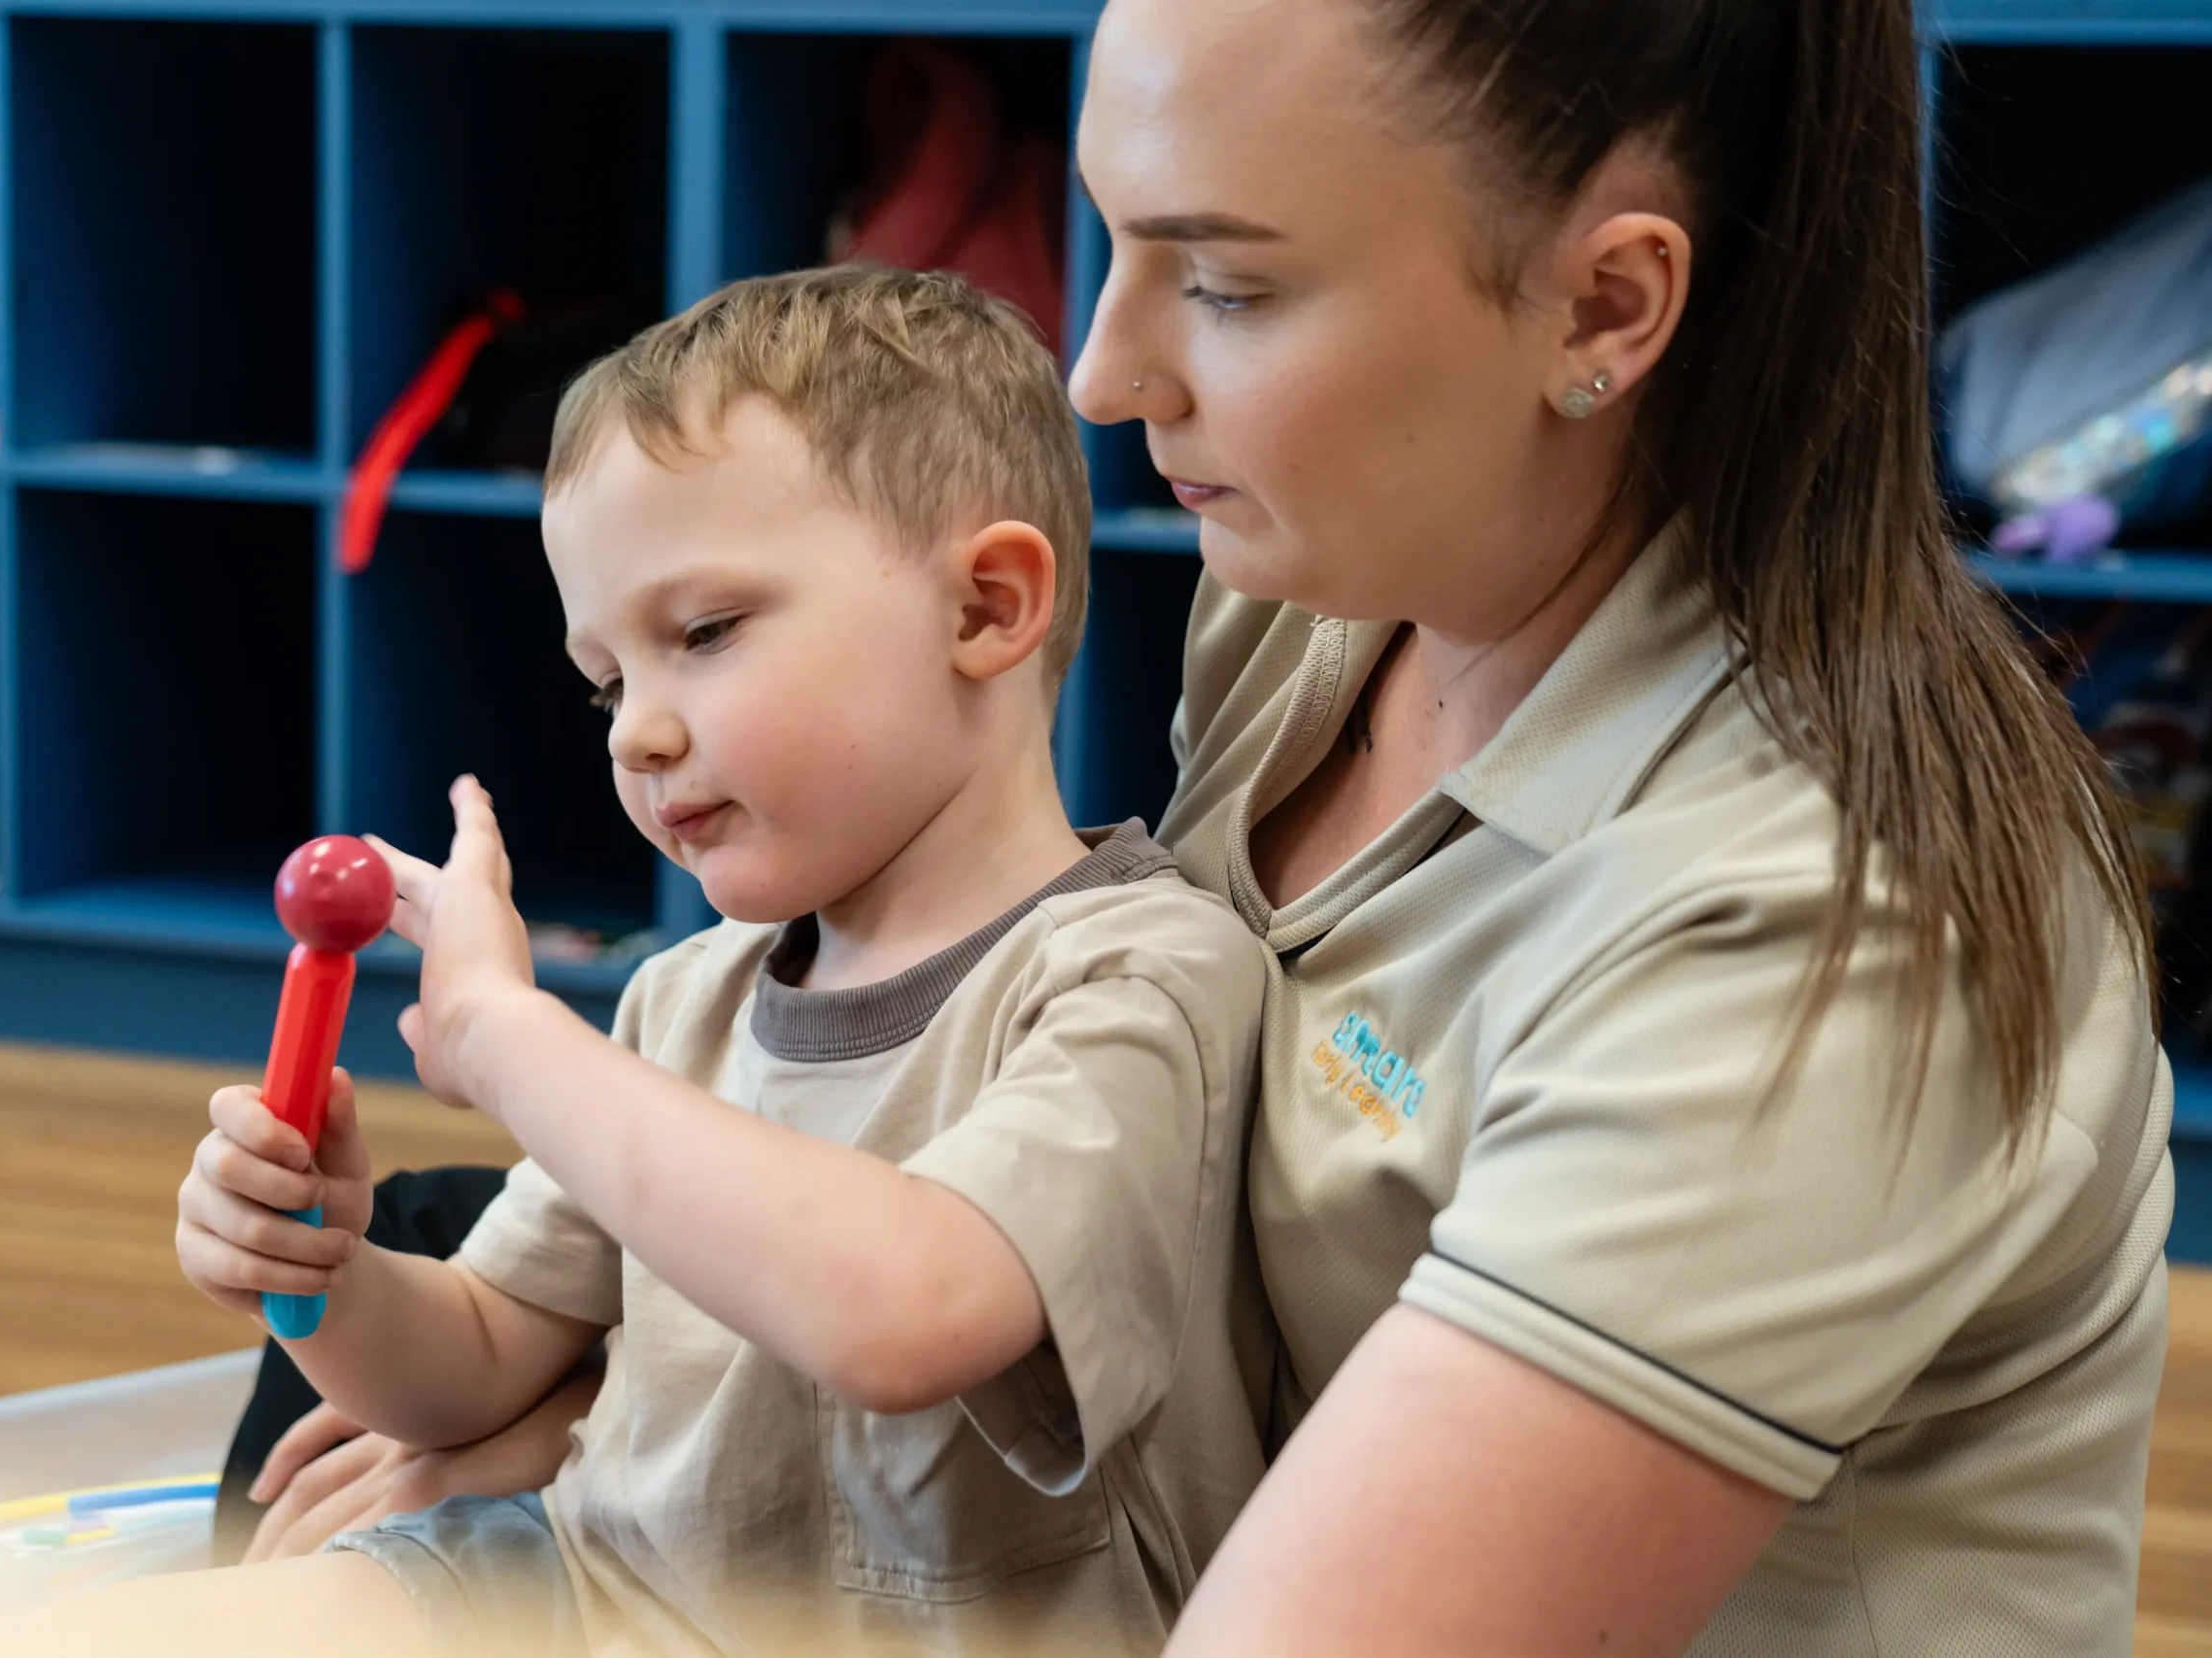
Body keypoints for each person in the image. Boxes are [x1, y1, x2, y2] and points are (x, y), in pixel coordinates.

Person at [246, 1, 2173, 1653]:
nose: (1096, 372)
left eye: (1227, 281)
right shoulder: (1326, 593)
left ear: (1602, 304)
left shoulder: (1812, 936)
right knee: (391, 1295)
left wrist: (626, 1496)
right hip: (1136, 1470)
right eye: (1109, 242)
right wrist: (590, 1413)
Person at [136, 265, 1269, 1657]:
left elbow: (904, 1310)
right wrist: (317, 1273)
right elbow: (481, 1357)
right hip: (587, 1581)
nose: (635, 734)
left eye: (705, 635)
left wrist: (509, 1035)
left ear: (984, 608)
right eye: (608, 679)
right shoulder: (692, 991)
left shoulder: (1143, 973)